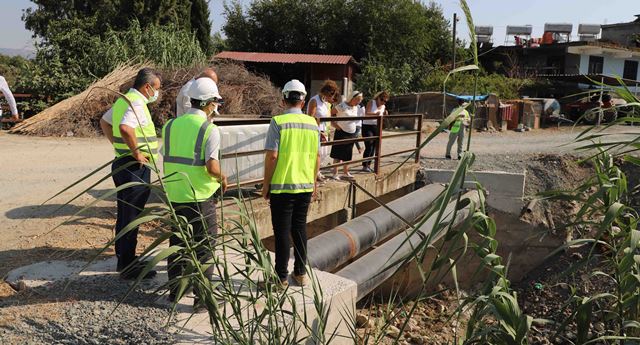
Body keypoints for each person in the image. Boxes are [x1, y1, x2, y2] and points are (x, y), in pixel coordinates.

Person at [162, 77, 227, 308]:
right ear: (209, 103)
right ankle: (202, 298)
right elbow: (212, 167)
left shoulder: (170, 125)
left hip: (175, 195)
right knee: (204, 248)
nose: (216, 107)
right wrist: (223, 177)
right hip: (201, 198)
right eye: (216, 102)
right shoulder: (210, 130)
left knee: (178, 243)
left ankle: (176, 291)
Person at [99, 68, 161, 279]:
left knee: (126, 214)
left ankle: (125, 258)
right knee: (132, 217)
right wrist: (136, 152)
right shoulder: (135, 102)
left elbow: (104, 122)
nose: (156, 94)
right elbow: (126, 128)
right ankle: (128, 265)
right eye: (156, 89)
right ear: (147, 87)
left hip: (124, 164)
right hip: (134, 168)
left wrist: (118, 146)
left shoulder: (124, 100)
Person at [262, 79, 320, 287]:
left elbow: (272, 157)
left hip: (282, 185)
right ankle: (301, 273)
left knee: (282, 231)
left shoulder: (277, 122)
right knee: (299, 228)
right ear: (303, 101)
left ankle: (280, 278)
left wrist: (266, 184)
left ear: (284, 99)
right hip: (305, 185)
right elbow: (317, 157)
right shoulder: (313, 124)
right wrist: (313, 183)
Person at [306, 80, 338, 182]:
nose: (332, 96)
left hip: (325, 131)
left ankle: (317, 172)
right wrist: (318, 132)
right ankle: (313, 176)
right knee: (317, 153)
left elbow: (327, 117)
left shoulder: (325, 102)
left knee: (324, 153)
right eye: (331, 94)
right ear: (326, 92)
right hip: (316, 131)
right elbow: (310, 117)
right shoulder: (314, 101)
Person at [329, 90, 363, 180]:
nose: (359, 102)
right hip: (341, 132)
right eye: (358, 100)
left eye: (360, 100)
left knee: (348, 154)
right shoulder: (342, 105)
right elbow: (331, 113)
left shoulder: (355, 107)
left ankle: (345, 172)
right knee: (337, 154)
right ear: (352, 98)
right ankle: (335, 173)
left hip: (351, 132)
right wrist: (334, 124)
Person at [361, 91, 388, 173]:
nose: (383, 102)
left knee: (374, 146)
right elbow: (366, 113)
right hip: (367, 126)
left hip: (376, 126)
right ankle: (364, 165)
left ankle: (368, 165)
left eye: (385, 101)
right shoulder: (371, 102)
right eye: (382, 100)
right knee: (369, 144)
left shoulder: (383, 106)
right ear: (378, 98)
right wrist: (375, 114)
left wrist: (385, 114)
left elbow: (382, 116)